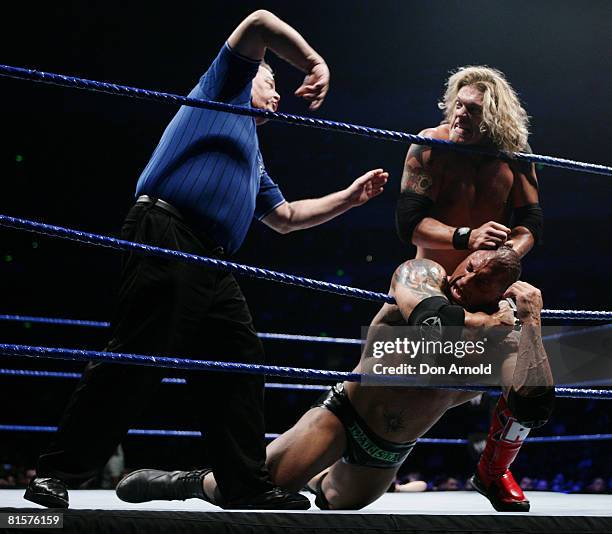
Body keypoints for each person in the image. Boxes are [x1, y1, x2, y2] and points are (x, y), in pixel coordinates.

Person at [25, 10, 388, 510]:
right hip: (167, 232)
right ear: (248, 74)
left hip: (213, 260)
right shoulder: (222, 92)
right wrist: (313, 61)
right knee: (137, 355)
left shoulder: (252, 152)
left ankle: (243, 482)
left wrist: (347, 199)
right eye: (270, 79)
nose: (277, 92)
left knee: (239, 362)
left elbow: (285, 216)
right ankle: (56, 472)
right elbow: (259, 22)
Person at [119, 246, 555, 512]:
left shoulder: (506, 342)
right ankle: (188, 482)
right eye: (470, 267)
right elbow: (432, 323)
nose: (467, 278)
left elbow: (531, 406)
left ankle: (313, 472)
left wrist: (531, 321)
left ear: (501, 295)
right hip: (345, 414)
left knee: (334, 501)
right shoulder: (421, 274)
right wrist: (486, 324)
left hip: (391, 449)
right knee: (260, 488)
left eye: (482, 281)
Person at [395, 66, 542, 275]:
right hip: (430, 274)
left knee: (530, 299)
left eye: (473, 110)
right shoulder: (431, 145)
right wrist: (469, 237)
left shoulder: (514, 153)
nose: (460, 115)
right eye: (458, 105)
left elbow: (530, 221)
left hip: (482, 280)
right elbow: (408, 223)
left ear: (495, 117)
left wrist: (500, 259)